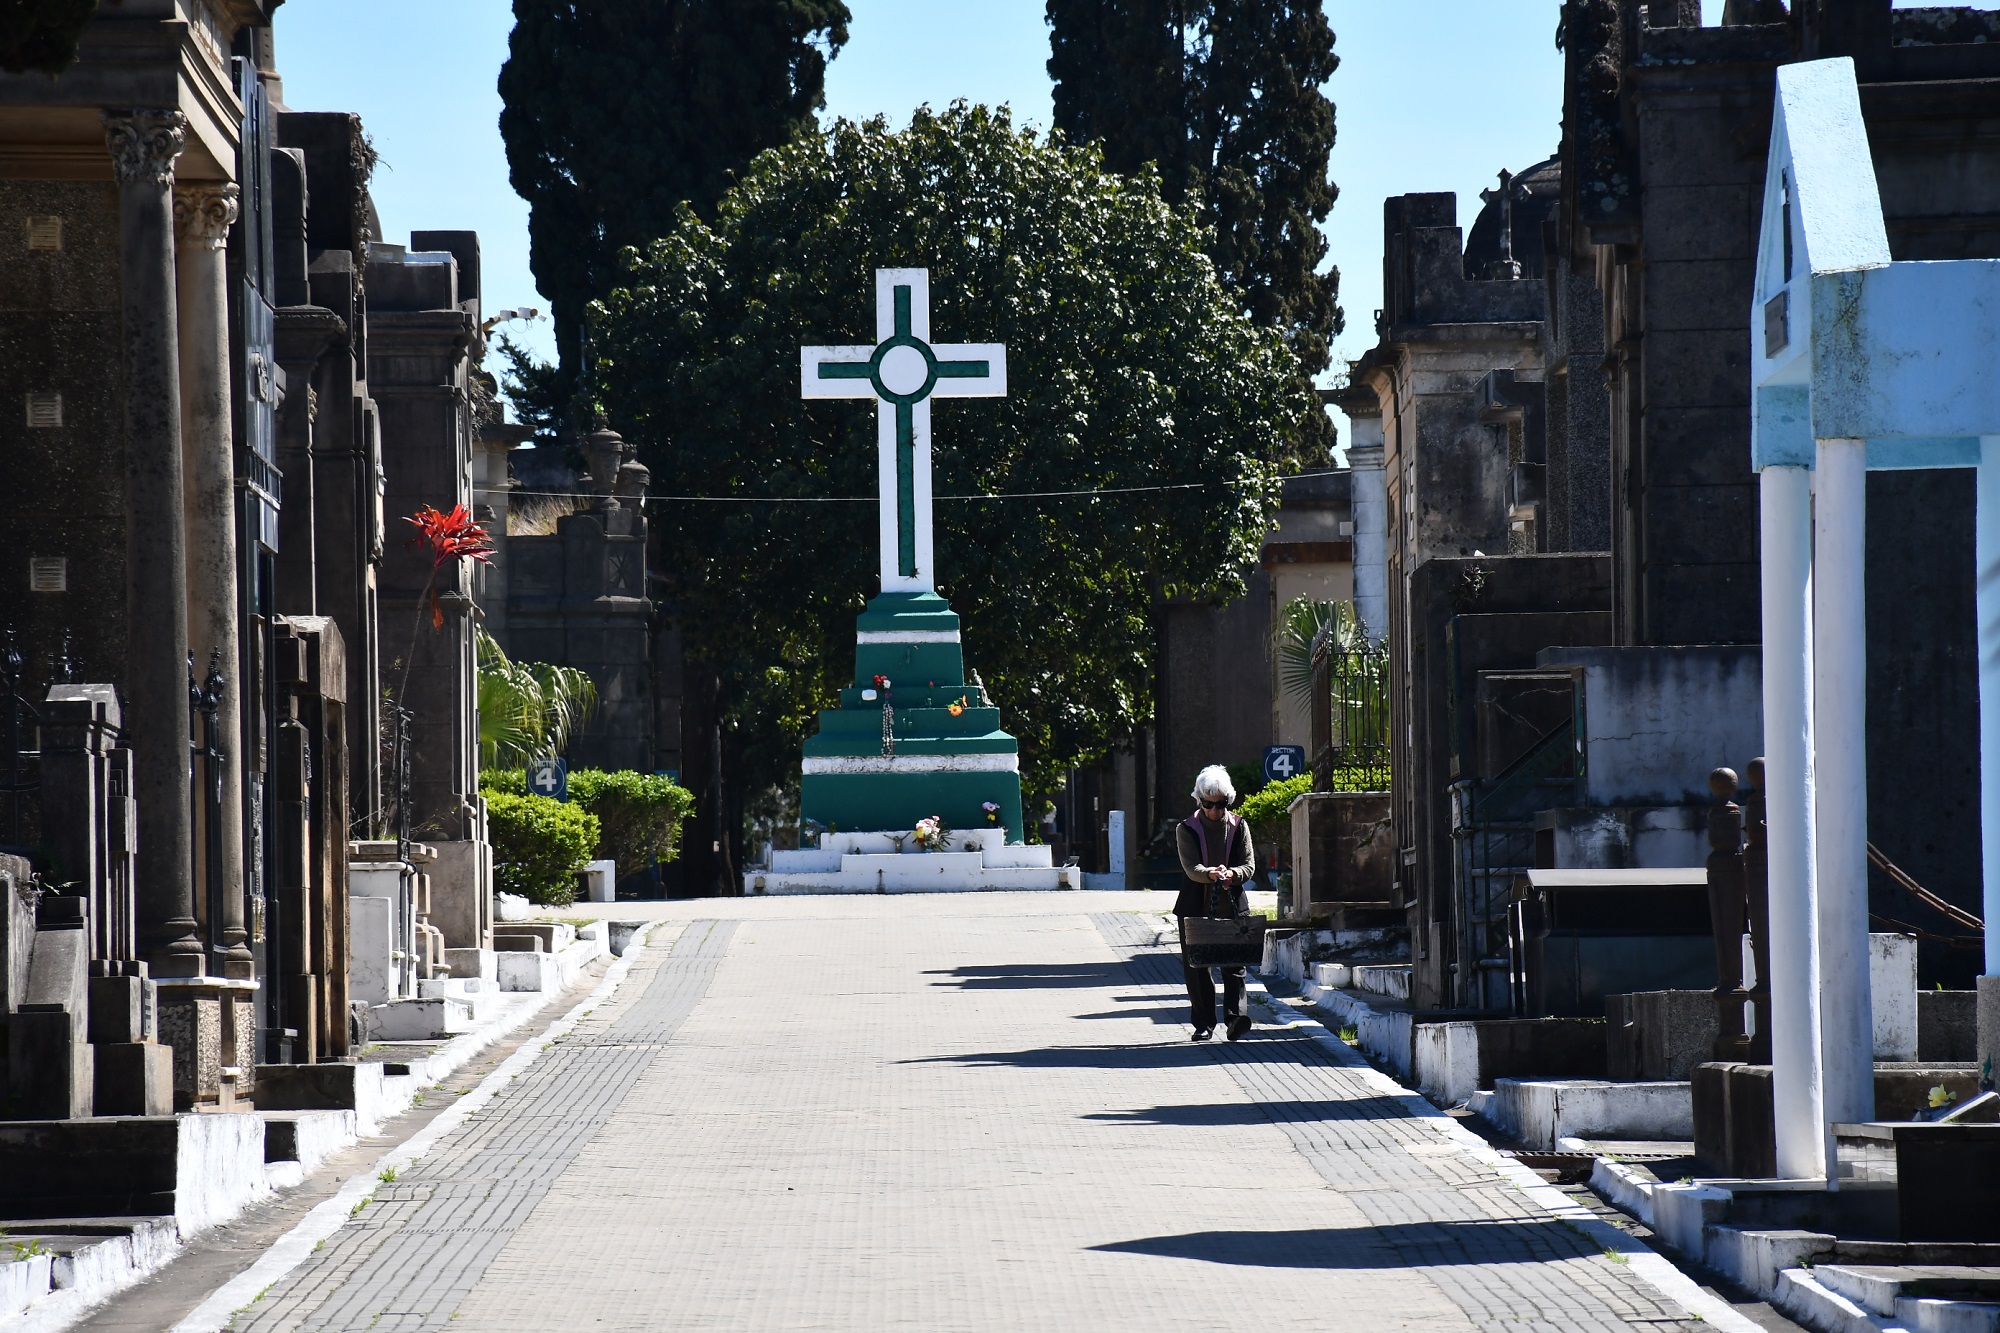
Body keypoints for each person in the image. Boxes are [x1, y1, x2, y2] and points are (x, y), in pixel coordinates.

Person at [1174, 764, 1255, 1042]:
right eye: (1208, 804)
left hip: (1231, 905)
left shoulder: (1239, 825)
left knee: (1235, 966)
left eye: (1221, 804)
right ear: (1199, 800)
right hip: (1194, 906)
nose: (1214, 810)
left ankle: (1235, 1019)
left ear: (1228, 801)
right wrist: (1210, 873)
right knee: (1197, 968)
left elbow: (1249, 865)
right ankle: (1204, 1023)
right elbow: (1190, 867)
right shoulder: (1186, 828)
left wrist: (1233, 874)